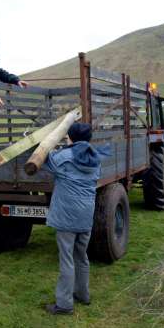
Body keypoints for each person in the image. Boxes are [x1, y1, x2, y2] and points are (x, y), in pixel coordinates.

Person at [43, 123, 110, 315]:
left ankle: (64, 304)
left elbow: (46, 160)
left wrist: (43, 144)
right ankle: (83, 294)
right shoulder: (95, 158)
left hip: (66, 217)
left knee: (66, 259)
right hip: (85, 215)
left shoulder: (63, 157)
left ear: (70, 137)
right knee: (81, 256)